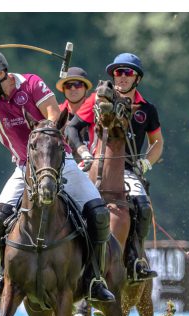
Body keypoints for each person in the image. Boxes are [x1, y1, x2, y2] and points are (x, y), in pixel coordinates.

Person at [0, 50, 114, 302]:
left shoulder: (31, 83)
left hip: (60, 163)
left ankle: (95, 278)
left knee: (98, 213)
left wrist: (42, 142)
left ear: (1, 74)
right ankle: (4, 274)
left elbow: (53, 114)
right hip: (23, 168)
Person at [65, 53, 164, 281]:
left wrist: (146, 162)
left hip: (127, 171)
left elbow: (158, 143)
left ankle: (135, 257)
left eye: (128, 72)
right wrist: (83, 152)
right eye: (118, 72)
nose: (122, 77)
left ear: (137, 78)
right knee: (62, 197)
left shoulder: (147, 109)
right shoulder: (97, 101)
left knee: (143, 206)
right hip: (92, 164)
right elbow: (72, 128)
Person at [56, 66, 93, 162]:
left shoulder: (97, 113)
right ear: (63, 90)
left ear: (86, 88)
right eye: (68, 85)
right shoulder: (56, 114)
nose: (73, 88)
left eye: (78, 84)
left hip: (94, 169)